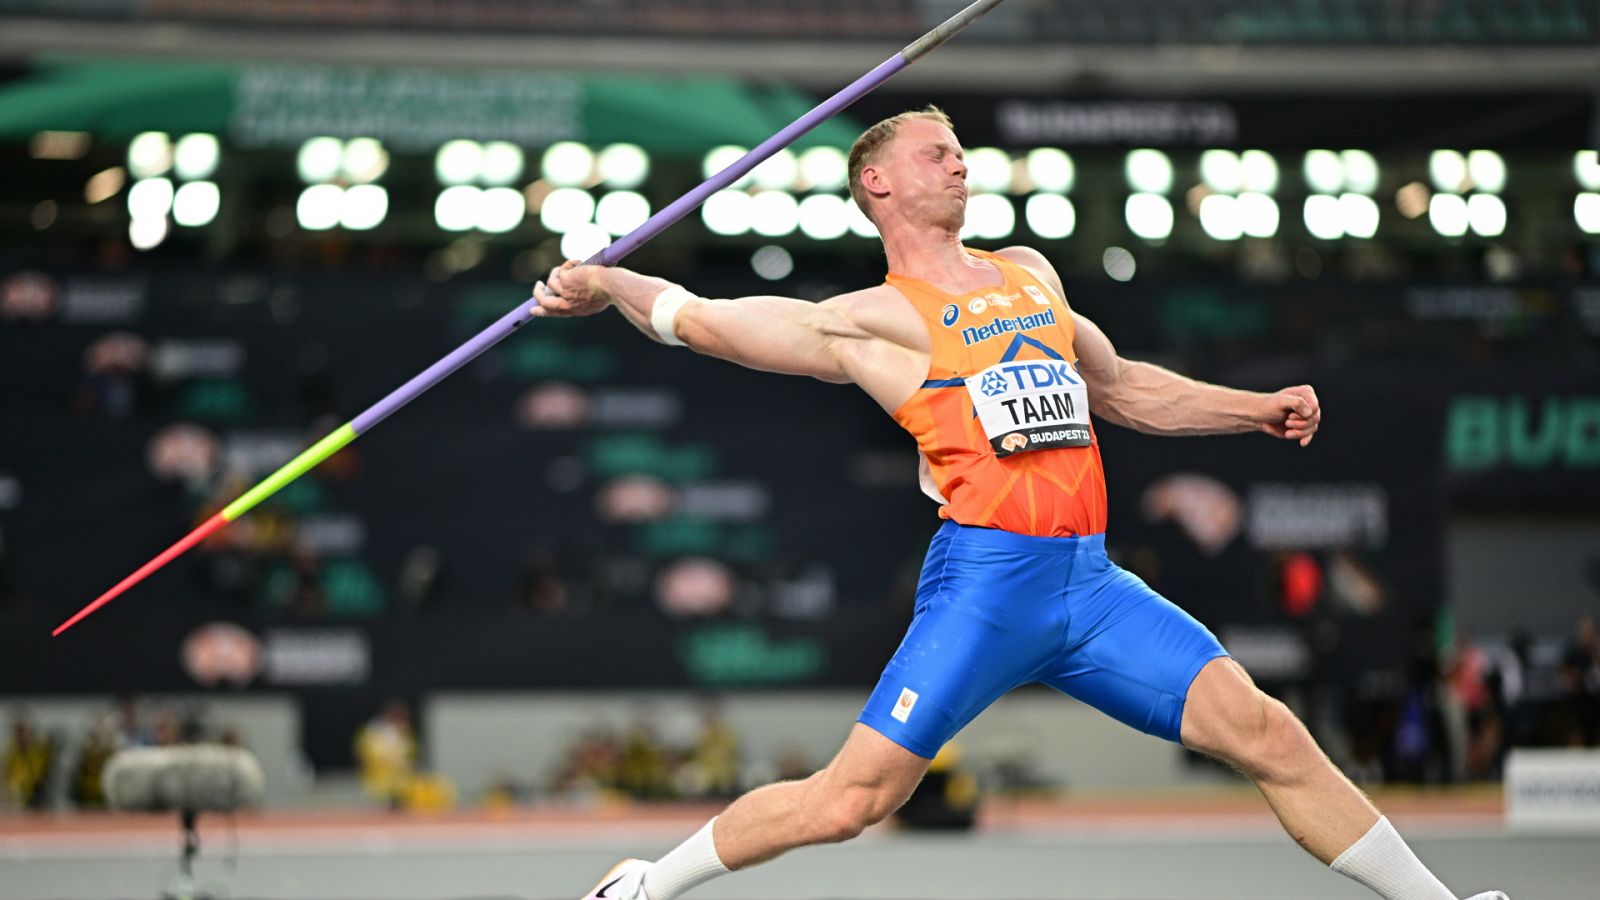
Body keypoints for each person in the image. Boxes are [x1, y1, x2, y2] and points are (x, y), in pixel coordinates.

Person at [535, 108, 1508, 900]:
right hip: (985, 586)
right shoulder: (871, 322)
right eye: (936, 152)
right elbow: (708, 324)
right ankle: (645, 886)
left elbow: (1120, 387)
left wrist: (1250, 410)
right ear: (877, 183)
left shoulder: (1028, 276)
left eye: (960, 149)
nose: (959, 163)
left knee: (1267, 732)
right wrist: (610, 279)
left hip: (1088, 583)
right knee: (849, 802)